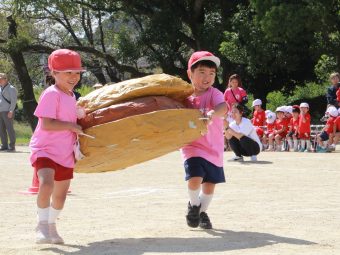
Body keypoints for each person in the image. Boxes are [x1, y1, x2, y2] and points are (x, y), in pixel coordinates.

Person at [29, 49, 85, 244]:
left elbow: (71, 116)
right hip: (45, 149)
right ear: (54, 73)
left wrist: (79, 115)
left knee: (60, 197)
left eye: (77, 72)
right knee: (46, 184)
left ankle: (51, 226)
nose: (74, 76)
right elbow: (47, 124)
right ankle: (42, 225)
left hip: (65, 152)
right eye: (68, 72)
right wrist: (71, 125)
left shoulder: (71, 95)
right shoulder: (51, 93)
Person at [181, 51, 227, 230]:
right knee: (195, 178)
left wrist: (211, 113)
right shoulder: (183, 97)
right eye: (201, 72)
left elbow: (223, 107)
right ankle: (194, 205)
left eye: (211, 73)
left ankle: (201, 212)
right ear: (189, 74)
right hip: (192, 145)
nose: (207, 77)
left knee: (209, 186)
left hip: (214, 148)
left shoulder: (214, 93)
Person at [0, 73, 18, 152]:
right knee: (1, 129)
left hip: (8, 111)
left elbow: (14, 101)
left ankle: (12, 146)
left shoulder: (11, 88)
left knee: (9, 129)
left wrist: (11, 111)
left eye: (0, 79)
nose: (0, 81)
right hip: (0, 111)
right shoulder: (0, 88)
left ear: (5, 79)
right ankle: (4, 145)